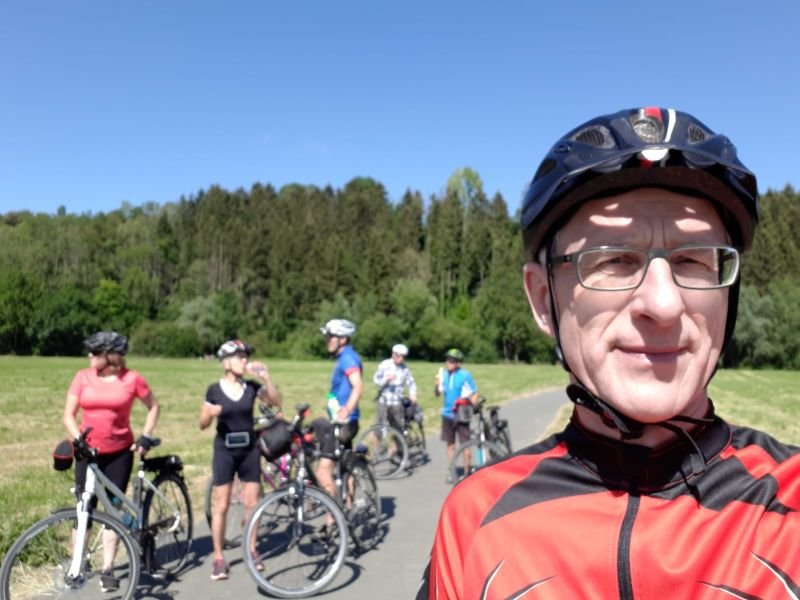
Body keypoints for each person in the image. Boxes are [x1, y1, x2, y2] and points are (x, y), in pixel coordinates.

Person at [419, 107, 800, 598]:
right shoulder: (476, 517)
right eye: (615, 260)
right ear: (543, 300)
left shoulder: (791, 503)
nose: (663, 305)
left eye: (693, 259)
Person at [62, 331, 160, 593]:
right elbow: (68, 415)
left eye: (95, 352)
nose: (90, 356)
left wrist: (146, 435)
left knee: (113, 509)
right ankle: (79, 561)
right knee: (83, 506)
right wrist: (78, 439)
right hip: (87, 453)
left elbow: (153, 406)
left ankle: (108, 568)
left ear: (110, 356)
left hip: (119, 453)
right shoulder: (83, 377)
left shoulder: (132, 379)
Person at [199, 339, 281, 581]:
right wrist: (209, 414)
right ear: (226, 362)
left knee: (252, 503)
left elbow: (275, 402)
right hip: (224, 450)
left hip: (249, 450)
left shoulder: (251, 387)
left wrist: (266, 378)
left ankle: (252, 549)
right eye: (239, 357)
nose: (244, 361)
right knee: (221, 504)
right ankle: (218, 557)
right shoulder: (214, 390)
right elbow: (202, 424)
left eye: (246, 357)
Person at [313, 319, 363, 499]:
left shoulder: (348, 358)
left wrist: (347, 409)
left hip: (345, 422)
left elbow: (358, 385)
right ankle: (348, 506)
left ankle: (333, 513)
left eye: (330, 337)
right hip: (343, 421)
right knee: (345, 466)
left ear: (342, 339)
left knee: (323, 471)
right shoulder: (345, 357)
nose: (327, 340)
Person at [434, 348, 478, 483]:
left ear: (458, 362)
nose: (449, 362)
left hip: (461, 413)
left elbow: (474, 392)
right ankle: (452, 469)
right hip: (447, 414)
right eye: (448, 360)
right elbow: (437, 394)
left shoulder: (465, 375)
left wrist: (473, 407)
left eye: (452, 361)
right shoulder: (443, 375)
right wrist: (436, 385)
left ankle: (467, 471)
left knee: (465, 445)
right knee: (450, 444)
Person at [373, 343, 418, 427]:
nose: (401, 359)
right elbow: (376, 379)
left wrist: (413, 394)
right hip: (384, 400)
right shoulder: (384, 365)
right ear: (393, 354)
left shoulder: (404, 368)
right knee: (379, 427)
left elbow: (411, 383)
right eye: (399, 356)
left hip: (397, 402)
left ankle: (397, 435)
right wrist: (385, 380)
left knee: (398, 427)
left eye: (403, 357)